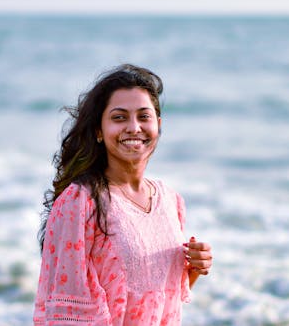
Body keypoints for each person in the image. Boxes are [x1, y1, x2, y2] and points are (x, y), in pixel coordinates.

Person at [34, 64, 212, 325]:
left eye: (144, 116)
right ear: (98, 130)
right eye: (119, 117)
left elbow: (160, 298)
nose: (133, 127)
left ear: (158, 125)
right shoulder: (80, 201)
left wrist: (193, 269)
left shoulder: (171, 201)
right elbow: (65, 313)